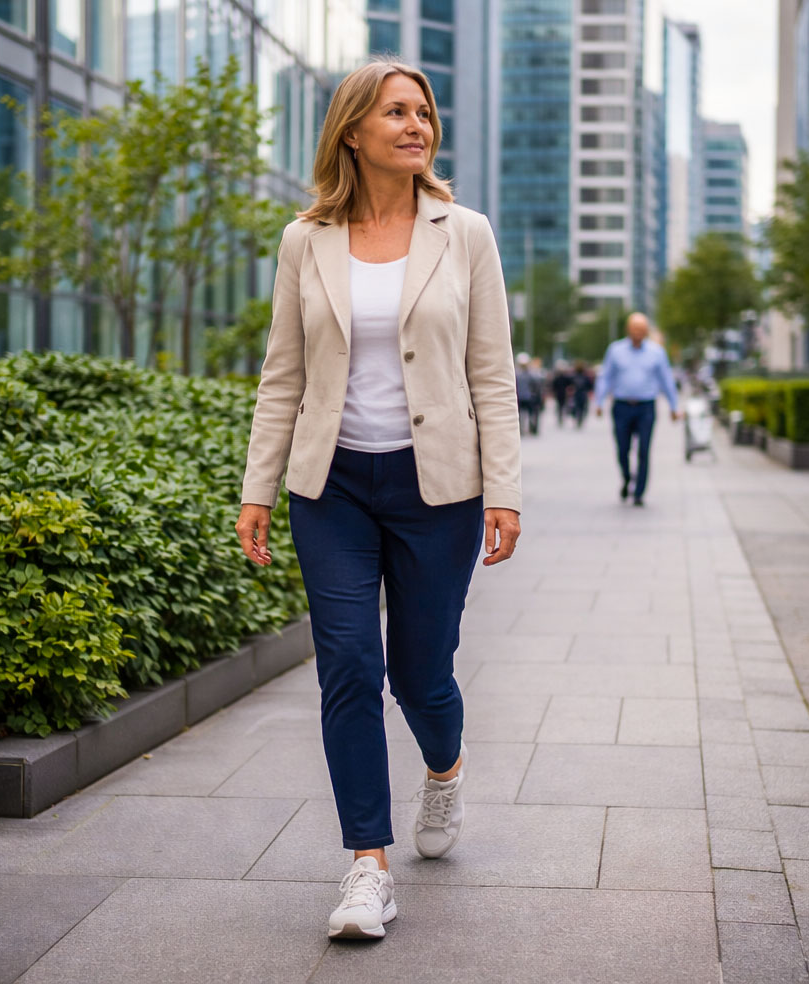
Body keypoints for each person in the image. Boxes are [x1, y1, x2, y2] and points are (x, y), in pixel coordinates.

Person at [235, 60, 522, 941]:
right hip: (333, 489)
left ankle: (444, 769)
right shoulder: (304, 240)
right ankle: (368, 866)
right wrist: (258, 486)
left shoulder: (463, 233)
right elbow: (283, 373)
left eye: (424, 111)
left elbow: (492, 372)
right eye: (396, 111)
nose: (416, 124)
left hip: (436, 486)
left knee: (420, 673)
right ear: (352, 130)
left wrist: (504, 490)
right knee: (350, 666)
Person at [594, 312, 679, 506]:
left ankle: (639, 492)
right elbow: (605, 376)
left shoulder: (656, 352)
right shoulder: (615, 350)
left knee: (644, 450)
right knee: (623, 449)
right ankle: (626, 478)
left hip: (646, 407)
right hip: (622, 406)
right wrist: (599, 402)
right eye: (635, 329)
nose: (638, 332)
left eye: (642, 329)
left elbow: (666, 380)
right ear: (628, 329)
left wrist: (674, 406)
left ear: (647, 330)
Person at [515, 351, 540, 435]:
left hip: (521, 397)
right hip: (527, 397)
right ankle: (528, 428)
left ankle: (523, 428)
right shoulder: (531, 374)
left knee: (522, 414)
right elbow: (536, 385)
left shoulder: (516, 374)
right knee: (528, 414)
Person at [570, 360, 594, 428]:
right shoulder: (585, 377)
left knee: (576, 407)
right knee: (582, 408)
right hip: (582, 394)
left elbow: (570, 386)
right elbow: (590, 386)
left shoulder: (573, 376)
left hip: (577, 394)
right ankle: (580, 419)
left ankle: (578, 418)